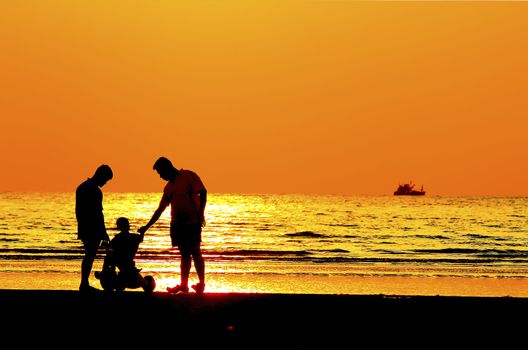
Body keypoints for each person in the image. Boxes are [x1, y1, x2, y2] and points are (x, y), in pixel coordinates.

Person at [138, 157, 207, 294]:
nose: (160, 176)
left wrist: (201, 214)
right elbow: (160, 209)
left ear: (167, 168)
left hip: (192, 222)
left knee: (195, 252)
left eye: (161, 173)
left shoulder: (188, 176)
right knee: (184, 254)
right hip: (177, 224)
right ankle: (184, 285)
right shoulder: (168, 187)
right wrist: (146, 227)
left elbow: (203, 192)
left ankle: (201, 283)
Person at [75, 164, 113, 292]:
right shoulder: (95, 190)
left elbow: (78, 211)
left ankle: (84, 283)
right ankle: (84, 284)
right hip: (92, 227)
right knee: (90, 255)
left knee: (88, 255)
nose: (105, 183)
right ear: (101, 175)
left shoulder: (81, 187)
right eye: (106, 179)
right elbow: (98, 213)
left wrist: (81, 225)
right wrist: (104, 232)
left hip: (84, 225)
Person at [95, 217, 155, 293]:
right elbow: (140, 238)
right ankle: (107, 277)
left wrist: (106, 246)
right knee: (109, 259)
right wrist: (143, 231)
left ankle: (107, 277)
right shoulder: (132, 237)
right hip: (123, 264)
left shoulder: (122, 238)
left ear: (118, 227)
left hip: (125, 265)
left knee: (109, 259)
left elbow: (110, 249)